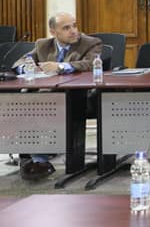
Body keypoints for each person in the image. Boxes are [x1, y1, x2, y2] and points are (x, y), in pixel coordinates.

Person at [13, 12, 102, 180]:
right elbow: (19, 62)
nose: (73, 31)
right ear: (53, 32)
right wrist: (28, 67)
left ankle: (39, 159)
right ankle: (36, 159)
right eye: (66, 28)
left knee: (36, 105)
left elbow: (90, 64)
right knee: (22, 103)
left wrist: (60, 66)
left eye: (74, 25)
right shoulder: (43, 45)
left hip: (77, 96)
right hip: (44, 95)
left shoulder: (90, 43)